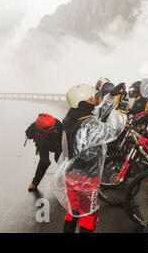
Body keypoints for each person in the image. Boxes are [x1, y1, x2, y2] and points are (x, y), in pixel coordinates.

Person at [54, 83, 127, 233]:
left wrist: (111, 96)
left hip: (72, 173)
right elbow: (112, 130)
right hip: (86, 177)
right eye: (92, 97)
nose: (96, 99)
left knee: (73, 212)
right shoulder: (87, 125)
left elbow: (97, 113)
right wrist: (121, 109)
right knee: (88, 216)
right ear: (82, 101)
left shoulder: (75, 114)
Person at [25, 113, 63, 192]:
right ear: (40, 128)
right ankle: (34, 183)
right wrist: (34, 137)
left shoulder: (58, 124)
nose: (52, 128)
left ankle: (64, 181)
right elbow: (28, 134)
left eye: (53, 126)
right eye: (49, 128)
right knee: (44, 162)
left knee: (60, 160)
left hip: (57, 143)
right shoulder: (34, 127)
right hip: (42, 144)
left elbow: (66, 138)